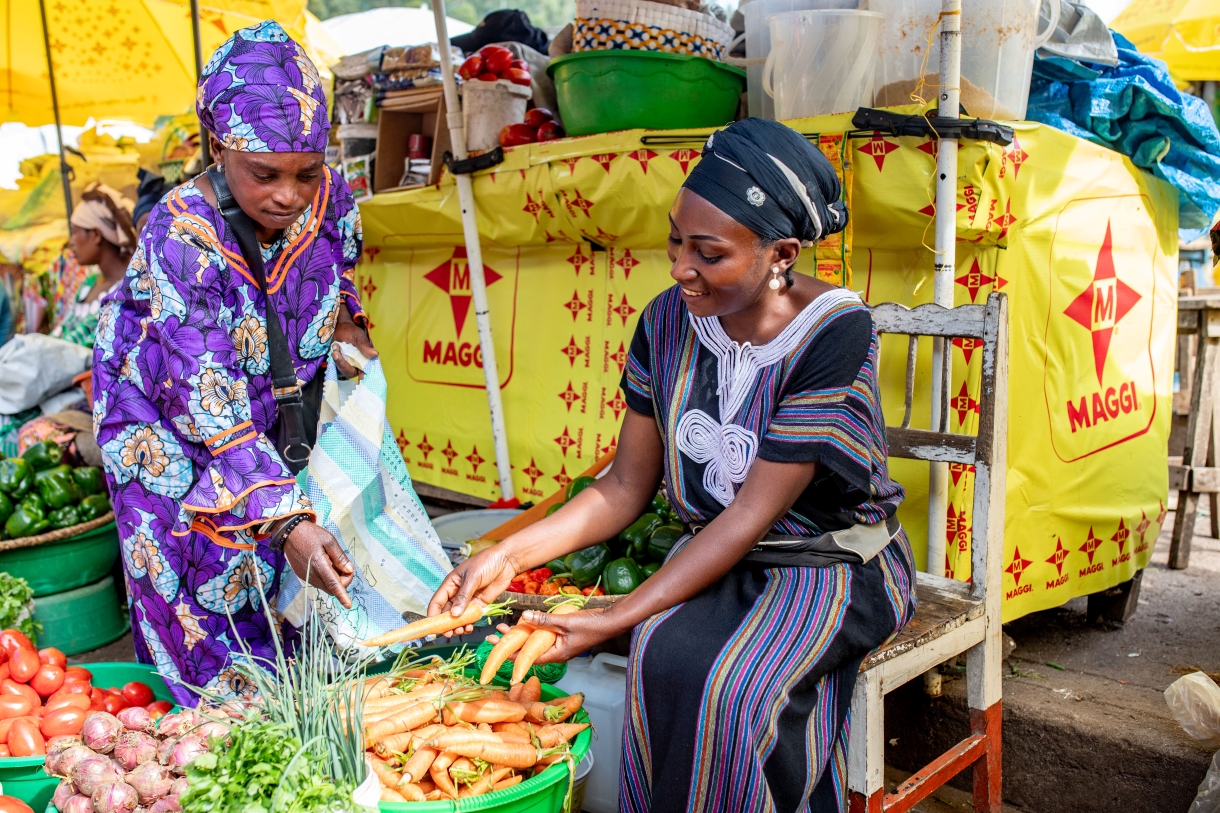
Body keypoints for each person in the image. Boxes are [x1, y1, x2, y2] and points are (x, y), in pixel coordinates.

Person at [428, 118, 917, 812]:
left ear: (780, 254)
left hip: (832, 562)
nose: (680, 268)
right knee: (658, 648)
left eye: (708, 253)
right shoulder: (665, 321)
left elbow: (751, 511)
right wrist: (507, 555)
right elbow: (626, 485)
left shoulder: (836, 331)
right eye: (675, 240)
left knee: (730, 683)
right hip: (724, 556)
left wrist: (617, 610)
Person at [92, 20, 376, 703]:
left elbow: (340, 275)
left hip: (266, 403)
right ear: (219, 148)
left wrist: (350, 347)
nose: (289, 194)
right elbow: (209, 401)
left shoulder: (329, 197)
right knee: (199, 589)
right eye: (264, 174)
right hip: (162, 419)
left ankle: (294, 703)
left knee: (290, 586)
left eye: (307, 171)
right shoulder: (178, 235)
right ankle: (219, 734)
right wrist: (284, 520)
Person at [52, 184, 137, 346]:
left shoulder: (128, 290)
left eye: (75, 232)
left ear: (96, 235)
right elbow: (61, 332)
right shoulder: (89, 284)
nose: (71, 242)